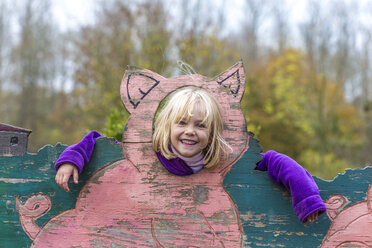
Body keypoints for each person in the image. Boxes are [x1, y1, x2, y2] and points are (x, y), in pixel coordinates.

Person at [54, 86, 326, 223]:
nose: (190, 132)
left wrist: (306, 198)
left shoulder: (227, 161)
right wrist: (71, 159)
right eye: (182, 123)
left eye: (200, 125)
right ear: (167, 126)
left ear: (213, 132)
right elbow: (98, 142)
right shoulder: (147, 154)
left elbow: (278, 162)